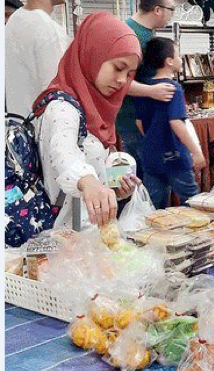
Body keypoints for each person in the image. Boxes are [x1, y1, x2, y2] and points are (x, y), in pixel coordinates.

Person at [33, 12, 143, 229]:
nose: (122, 80)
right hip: (67, 241)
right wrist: (88, 183)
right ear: (94, 54)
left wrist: (114, 189)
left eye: (130, 74)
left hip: (91, 237)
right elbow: (62, 153)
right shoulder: (63, 108)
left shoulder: (94, 108)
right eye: (118, 67)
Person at [134, 38, 204, 209]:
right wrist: (196, 151)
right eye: (178, 55)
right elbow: (176, 123)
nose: (180, 59)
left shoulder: (144, 88)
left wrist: (153, 138)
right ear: (169, 61)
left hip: (150, 156)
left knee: (154, 206)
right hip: (175, 156)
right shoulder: (173, 88)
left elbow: (139, 123)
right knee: (191, 201)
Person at [119, 0, 179, 182]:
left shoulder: (147, 33)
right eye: (171, 10)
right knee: (147, 184)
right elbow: (119, 81)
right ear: (157, 10)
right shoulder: (130, 35)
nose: (171, 15)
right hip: (133, 125)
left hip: (147, 123)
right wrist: (152, 91)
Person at [5, 0, 70, 117]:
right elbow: (57, 87)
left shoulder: (14, 20)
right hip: (42, 129)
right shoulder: (45, 27)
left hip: (19, 127)